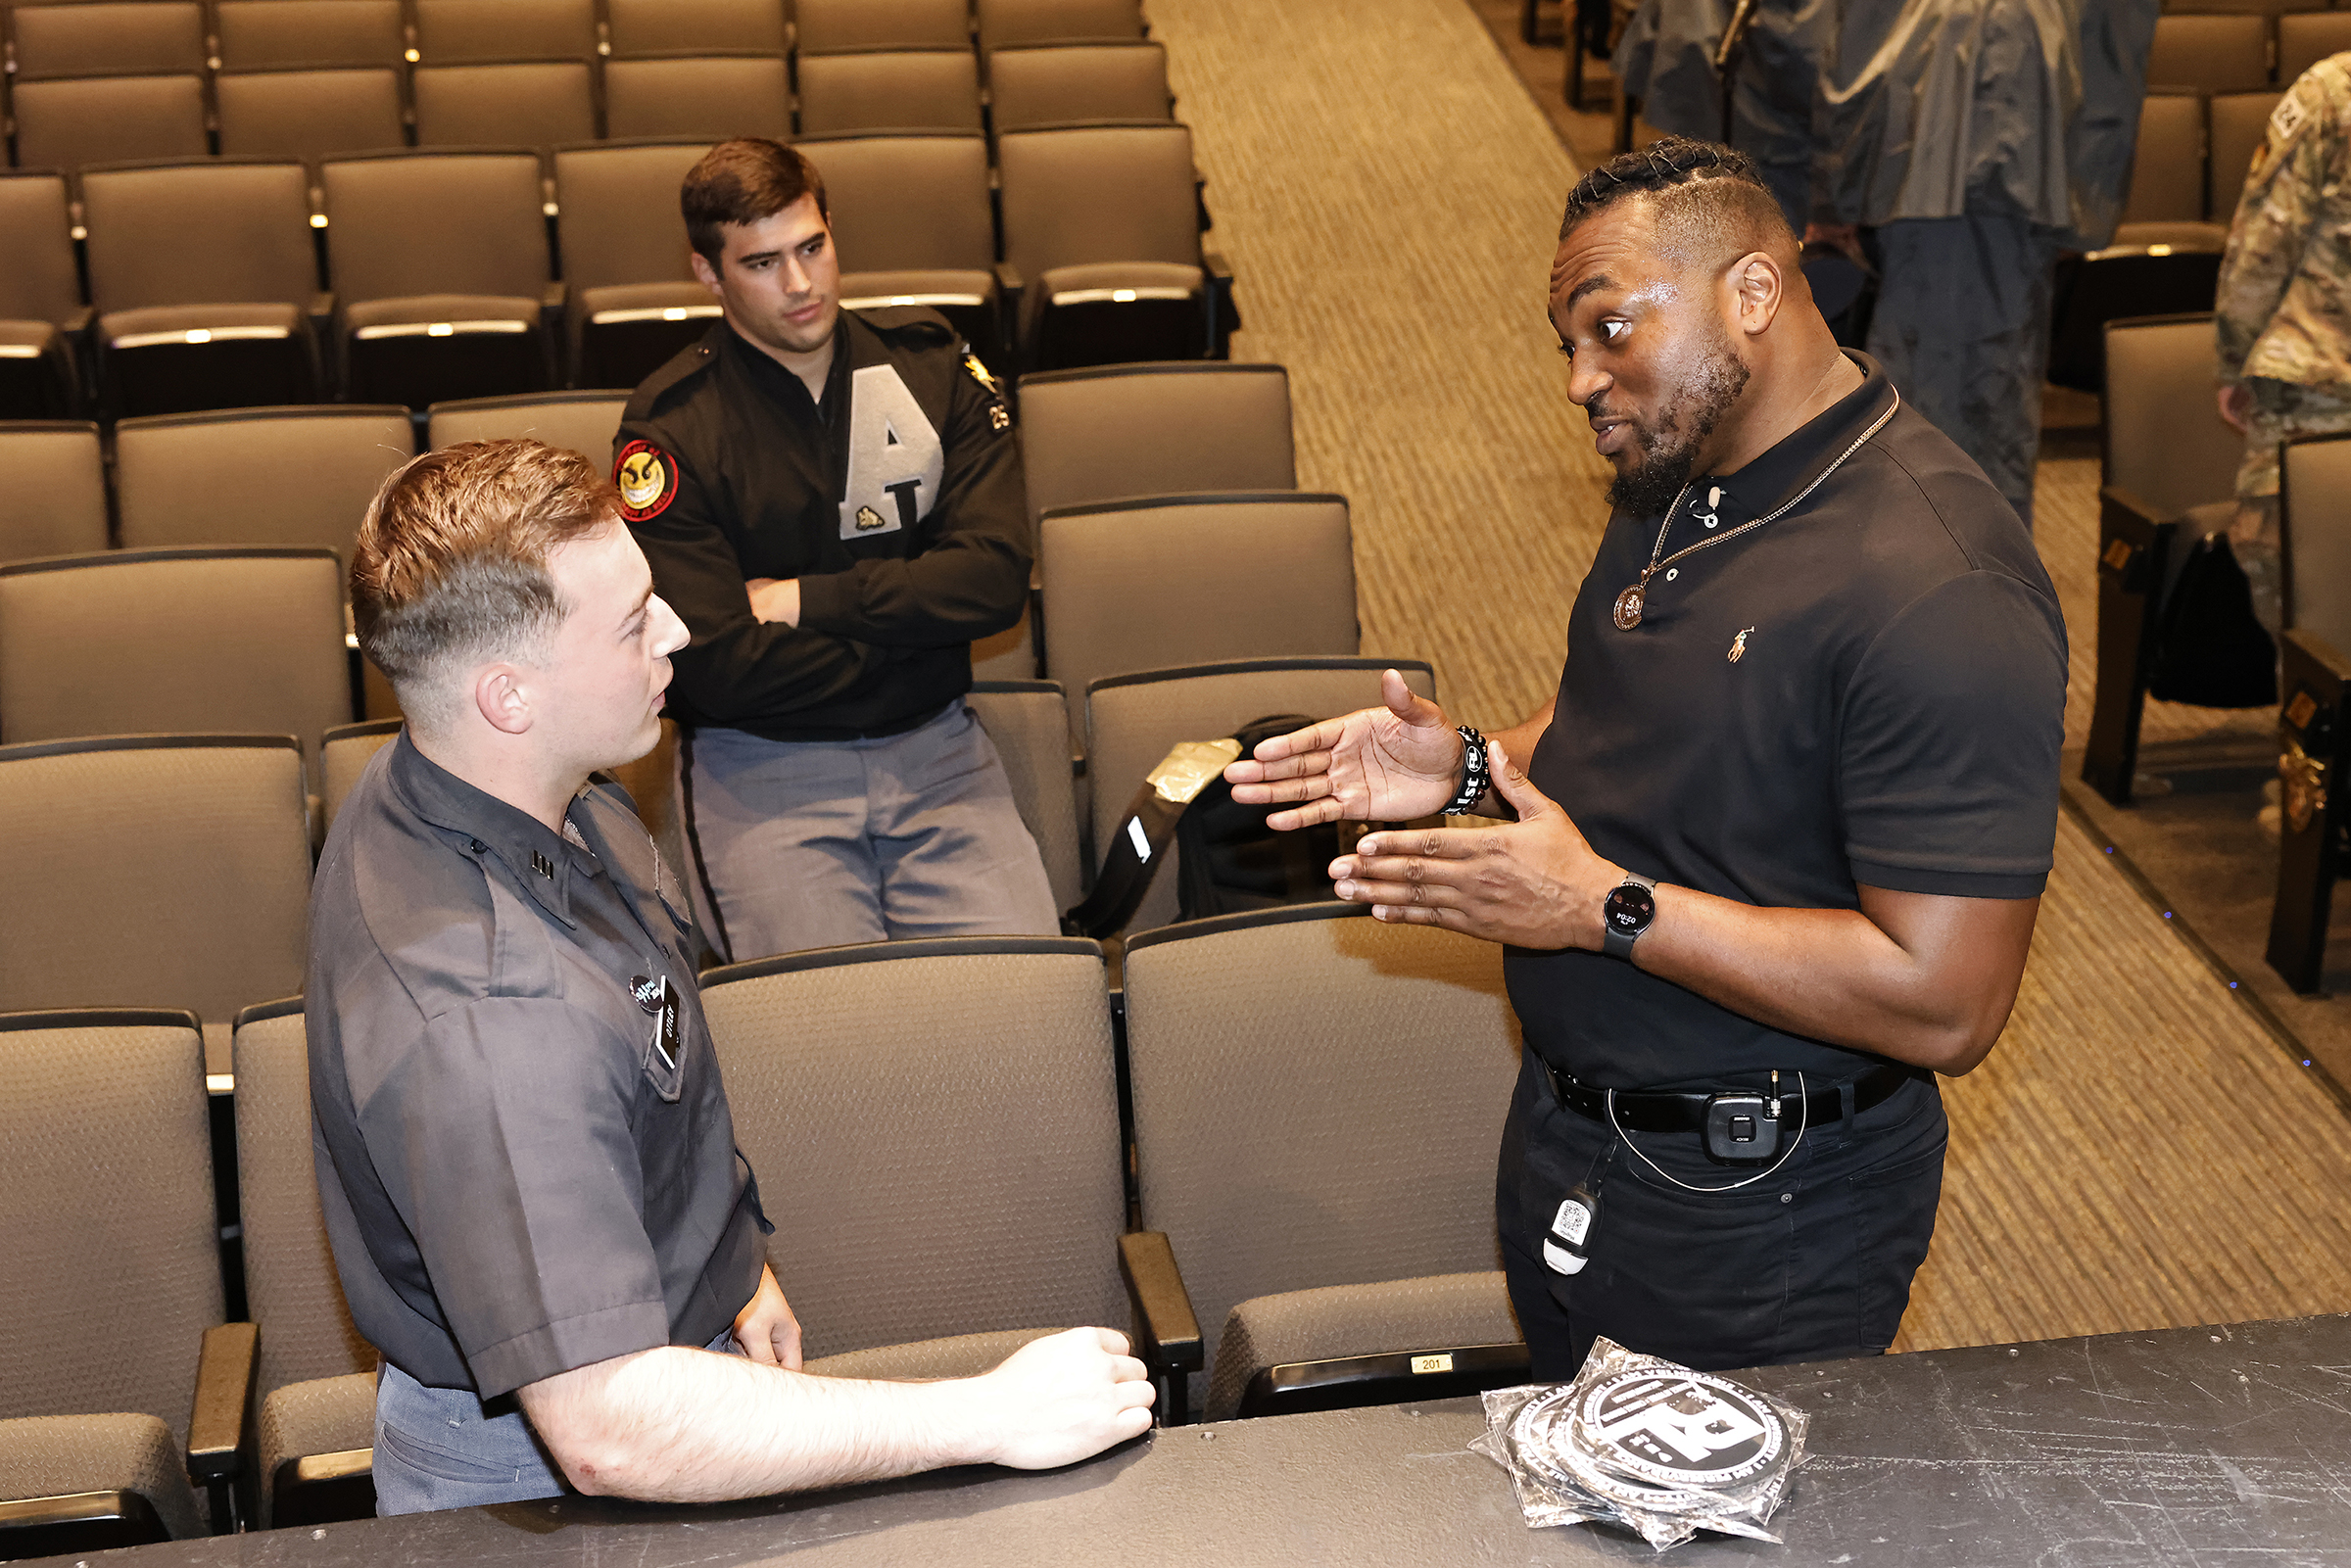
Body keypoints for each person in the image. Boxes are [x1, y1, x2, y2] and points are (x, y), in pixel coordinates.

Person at [1224, 139, 2067, 1376]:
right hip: (1575, 1137)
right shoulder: (1681, 467)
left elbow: (1947, 1001)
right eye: (1567, 341)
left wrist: (1602, 908)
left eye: (1610, 327)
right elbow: (1619, 722)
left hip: (1762, 1206)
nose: (1580, 379)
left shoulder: (1941, 586)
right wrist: (1467, 766)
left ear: (1754, 293)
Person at [310, 439, 1153, 1515]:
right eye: (633, 623)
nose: (678, 629)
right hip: (548, 1470)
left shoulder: (503, 776)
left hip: (647, 1350)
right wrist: (987, 1416)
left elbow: (647, 1050)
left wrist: (730, 1259)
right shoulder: (491, 1022)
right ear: (508, 695)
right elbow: (610, 1426)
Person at [613, 137, 1056, 963]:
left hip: (937, 749)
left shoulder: (933, 364)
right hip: (762, 772)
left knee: (1028, 998)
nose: (800, 283)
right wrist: (920, 641)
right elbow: (717, 667)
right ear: (708, 274)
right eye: (762, 263)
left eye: (812, 247)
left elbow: (994, 580)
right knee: (831, 1028)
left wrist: (804, 600)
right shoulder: (671, 427)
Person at [1615, 0, 2158, 529]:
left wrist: (1831, 184)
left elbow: (1802, 41)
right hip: (1982, 122)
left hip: (1955, 127)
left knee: (1942, 427)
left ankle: (1949, 576)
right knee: (1964, 412)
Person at [2214, 50, 2351, 635]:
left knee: (2305, 616)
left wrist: (2233, 361)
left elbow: (2266, 244)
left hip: (2317, 399)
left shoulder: (2332, 92)